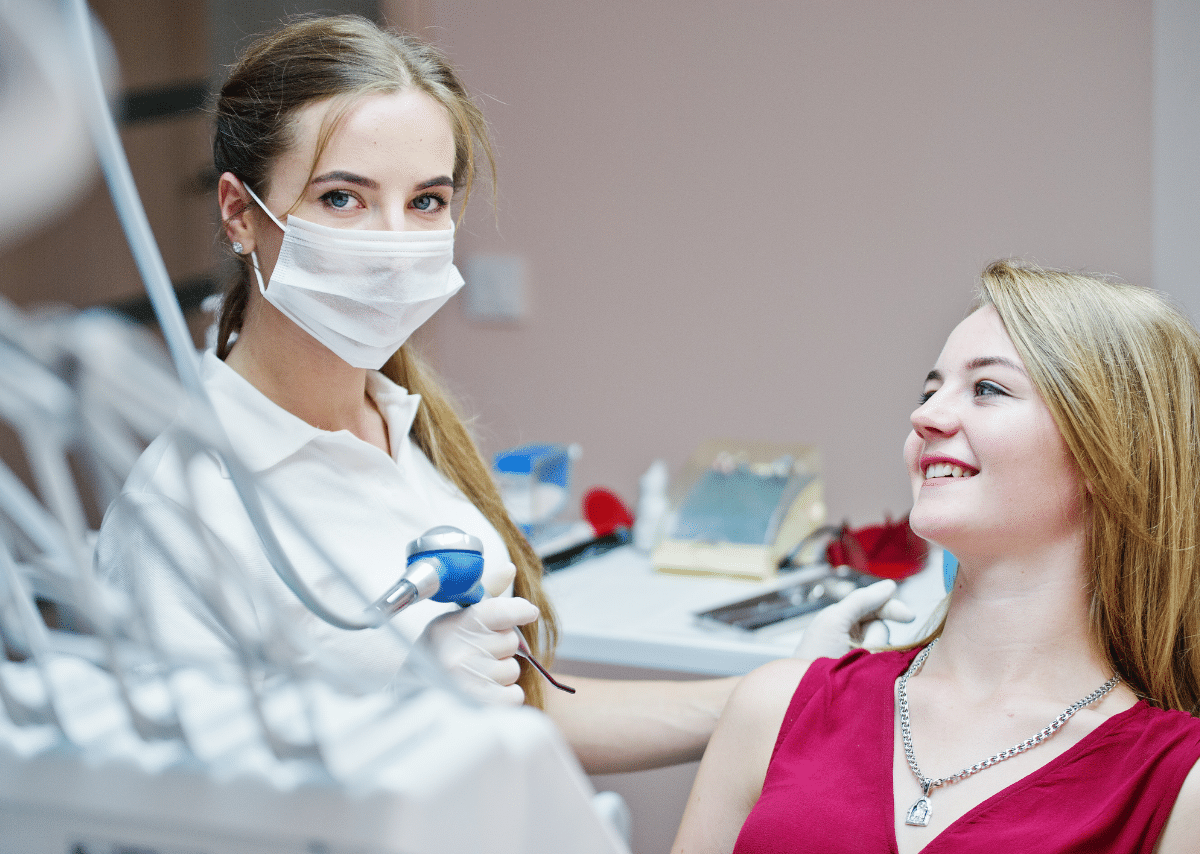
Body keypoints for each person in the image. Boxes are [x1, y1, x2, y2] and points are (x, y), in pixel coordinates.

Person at [94, 14, 909, 776]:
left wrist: (787, 689)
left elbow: (529, 718)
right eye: (342, 197)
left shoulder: (402, 429)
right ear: (240, 213)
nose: (395, 244)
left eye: (426, 202)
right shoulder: (185, 509)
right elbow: (170, 807)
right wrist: (398, 713)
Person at [671, 260, 1200, 853]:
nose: (924, 416)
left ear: (1111, 451)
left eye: (988, 388)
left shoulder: (1180, 786)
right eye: (929, 392)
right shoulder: (775, 707)